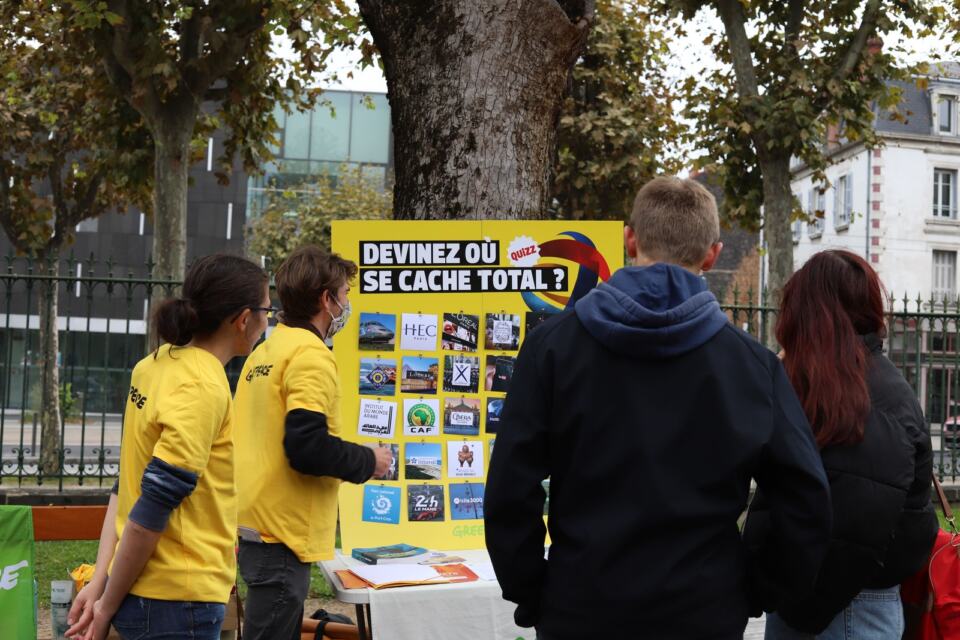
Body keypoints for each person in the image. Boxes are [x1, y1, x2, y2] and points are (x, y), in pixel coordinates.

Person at [484, 176, 833, 640]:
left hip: (582, 606)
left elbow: (510, 486)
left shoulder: (552, 347)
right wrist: (757, 589)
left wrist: (531, 588)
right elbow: (806, 500)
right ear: (712, 254)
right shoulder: (753, 366)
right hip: (702, 609)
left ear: (631, 239)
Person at [66, 253, 271, 640]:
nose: (268, 321)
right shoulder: (203, 387)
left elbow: (124, 486)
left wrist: (102, 581)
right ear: (244, 319)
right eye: (267, 311)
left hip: (145, 590)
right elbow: (149, 510)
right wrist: (104, 602)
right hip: (178, 599)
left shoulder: (154, 364)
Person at [745, 250, 939, 639]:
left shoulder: (871, 397)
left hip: (841, 610)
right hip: (823, 605)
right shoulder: (833, 385)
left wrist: (792, 606)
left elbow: (852, 538)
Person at [233, 245, 392, 640]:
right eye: (346, 294)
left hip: (255, 524)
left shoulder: (264, 351)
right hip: (283, 535)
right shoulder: (310, 355)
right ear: (327, 300)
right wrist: (368, 460)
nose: (348, 303)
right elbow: (306, 445)